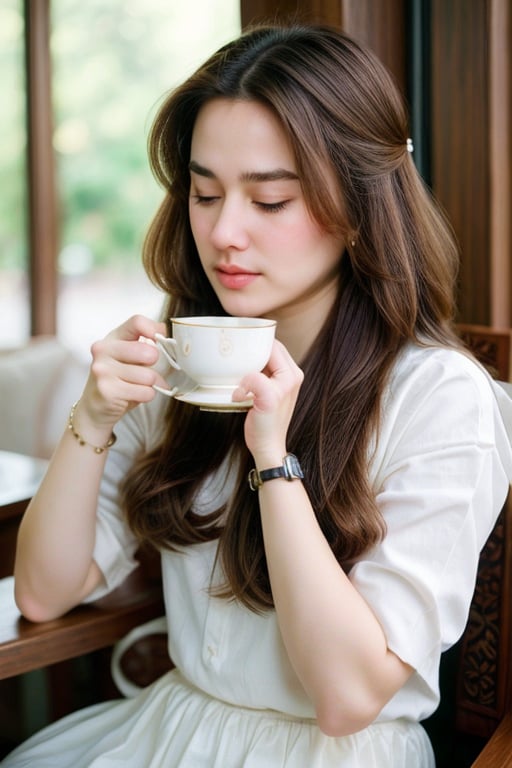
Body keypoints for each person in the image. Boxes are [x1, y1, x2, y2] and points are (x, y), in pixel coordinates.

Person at [3, 22, 512, 768]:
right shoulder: (187, 362)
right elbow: (45, 594)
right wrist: (94, 416)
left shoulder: (437, 396)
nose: (223, 233)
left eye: (269, 202)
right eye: (205, 193)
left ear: (361, 201)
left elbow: (346, 699)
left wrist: (273, 462)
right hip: (170, 732)